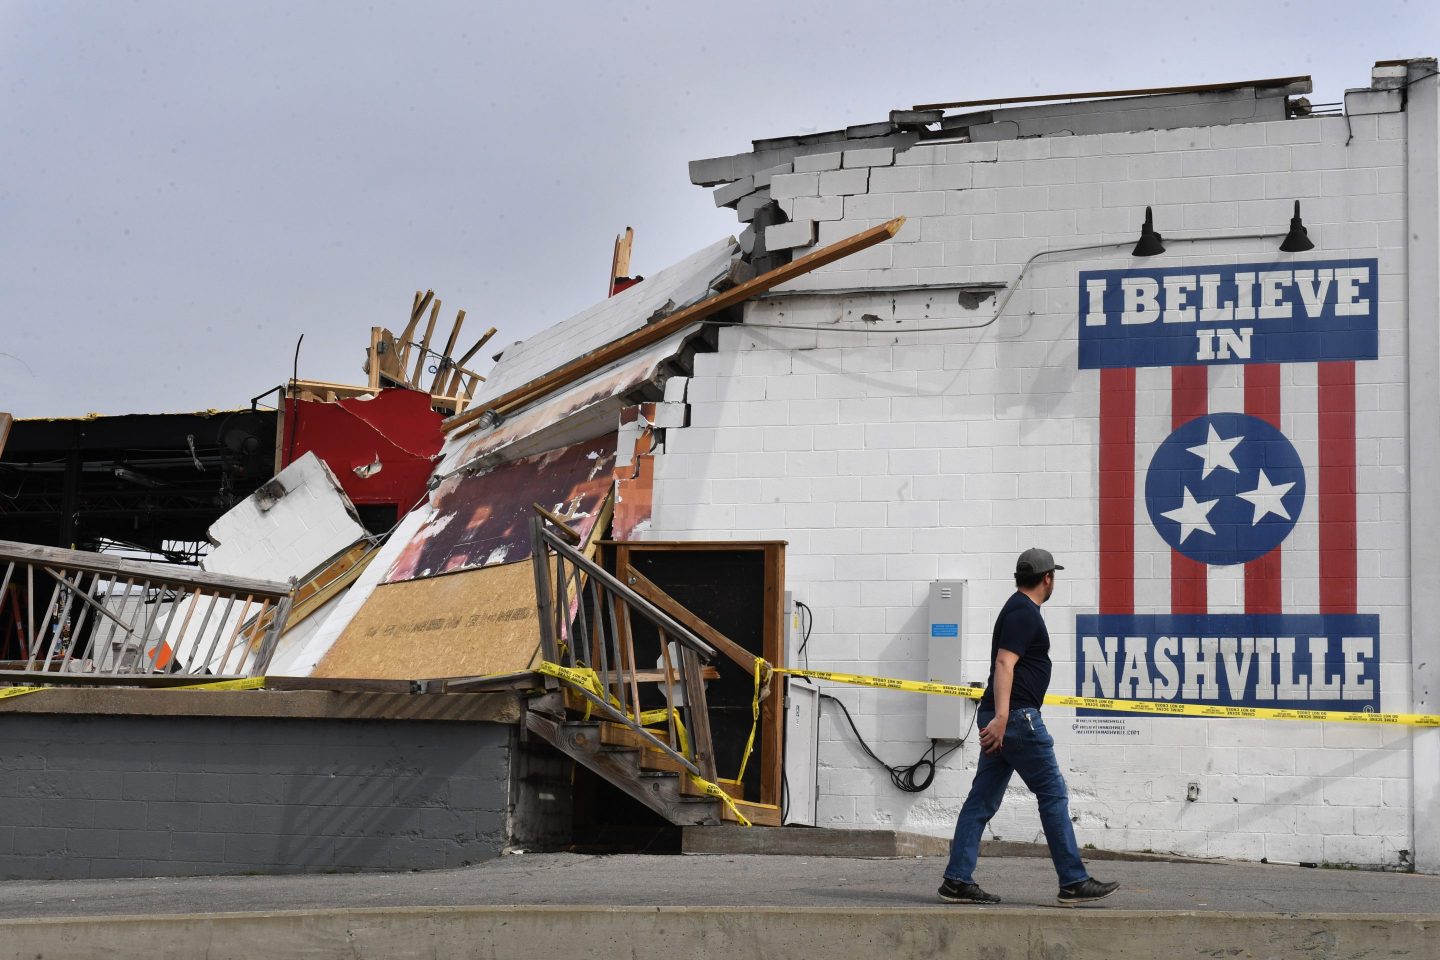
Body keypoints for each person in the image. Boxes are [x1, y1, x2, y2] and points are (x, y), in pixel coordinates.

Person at [938, 548, 1121, 906]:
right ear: (1047, 578)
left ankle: (956, 880)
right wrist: (1004, 719)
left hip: (1004, 717)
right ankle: (1072, 881)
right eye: (1054, 576)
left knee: (981, 800)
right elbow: (1005, 664)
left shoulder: (1016, 608)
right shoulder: (1024, 611)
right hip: (1017, 720)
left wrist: (998, 717)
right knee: (1053, 793)